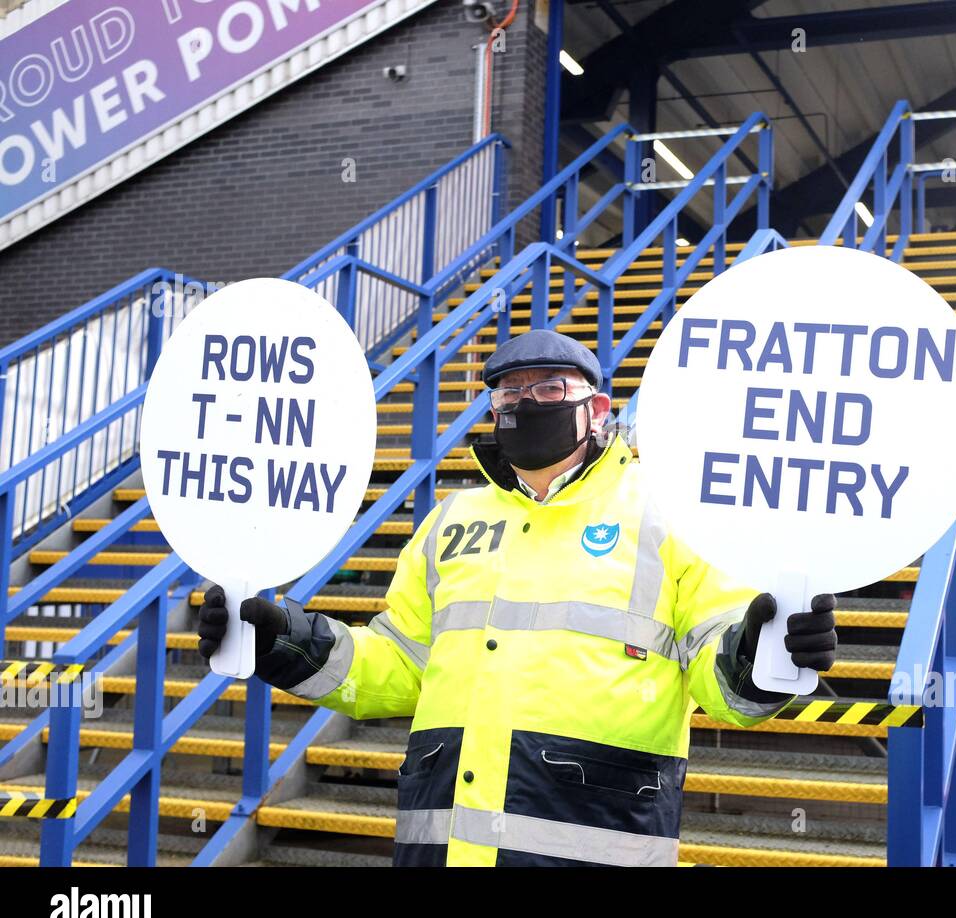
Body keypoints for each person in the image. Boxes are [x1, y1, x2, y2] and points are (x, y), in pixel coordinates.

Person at [196, 328, 838, 867]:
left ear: (599, 408)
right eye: (509, 390)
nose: (526, 402)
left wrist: (761, 656)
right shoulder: (451, 519)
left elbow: (717, 672)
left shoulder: (670, 515)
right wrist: (288, 644)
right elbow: (398, 663)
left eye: (550, 389)